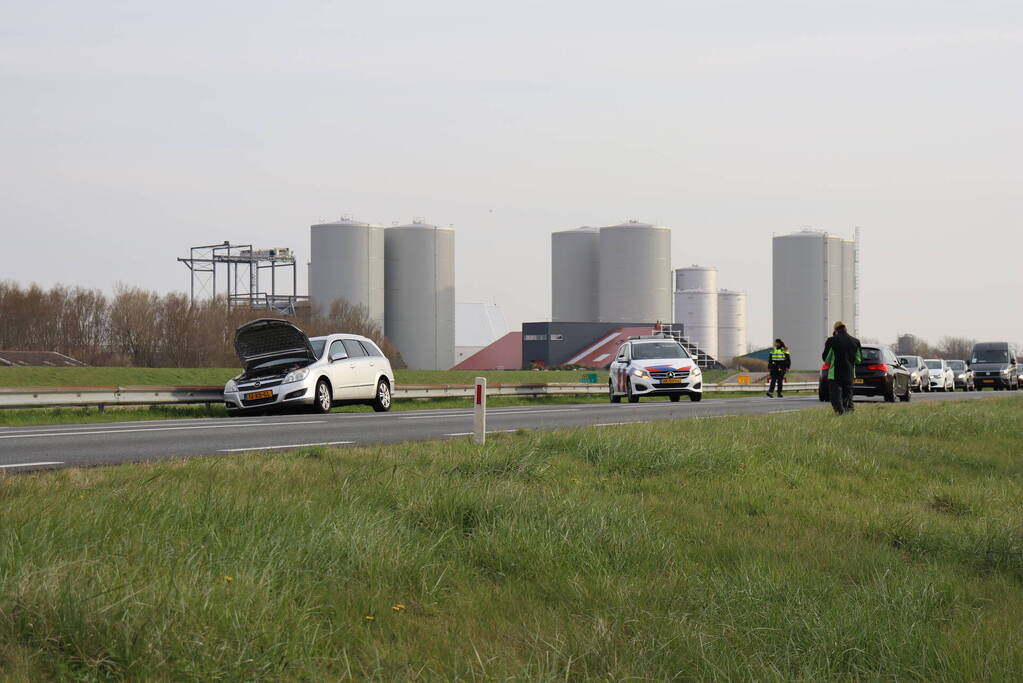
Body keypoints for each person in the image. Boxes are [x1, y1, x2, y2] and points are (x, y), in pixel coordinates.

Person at [822, 321, 862, 415]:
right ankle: (849, 413)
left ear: (835, 330)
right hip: (849, 373)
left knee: (835, 396)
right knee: (848, 396)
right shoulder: (855, 341)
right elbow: (859, 360)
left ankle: (840, 413)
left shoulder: (831, 341)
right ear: (845, 329)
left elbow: (826, 358)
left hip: (835, 373)